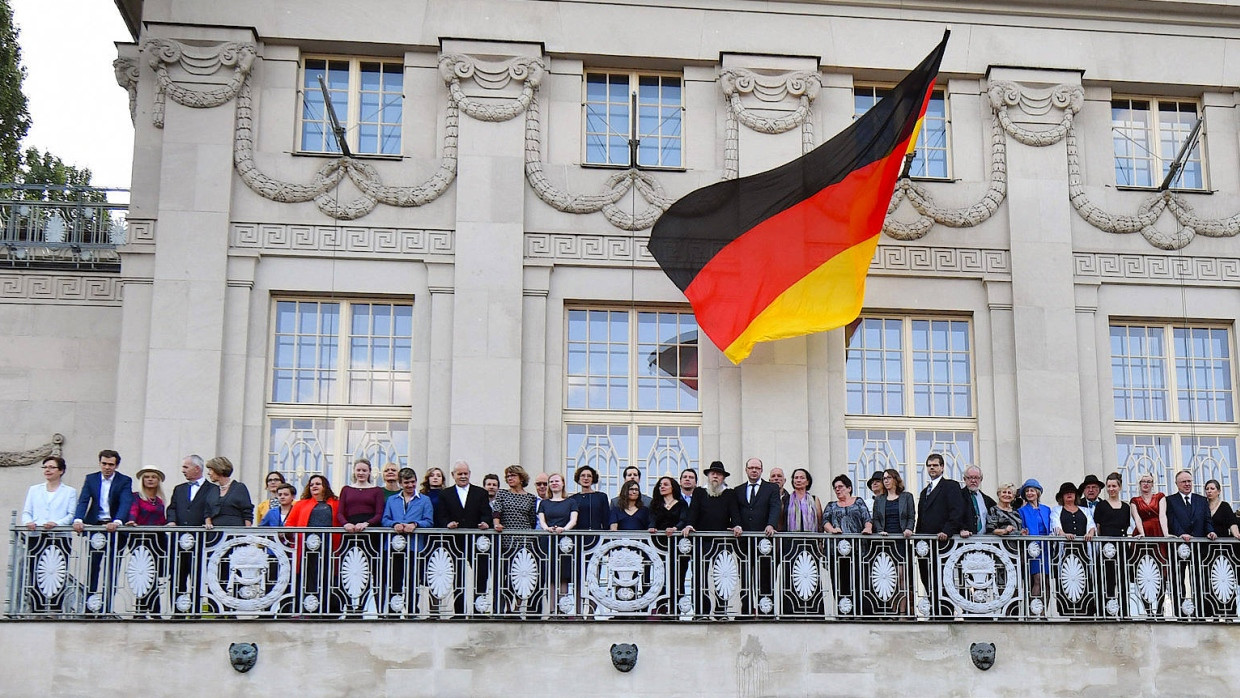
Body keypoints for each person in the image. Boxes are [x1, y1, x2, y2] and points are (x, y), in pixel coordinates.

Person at [73, 449, 132, 612]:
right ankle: (89, 606)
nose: (107, 467)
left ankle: (107, 605)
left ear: (116, 465)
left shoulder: (124, 480)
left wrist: (118, 521)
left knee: (112, 567)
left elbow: (125, 502)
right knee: (93, 565)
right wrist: (78, 519)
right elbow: (84, 500)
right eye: (104, 464)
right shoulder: (91, 479)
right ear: (100, 463)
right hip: (97, 527)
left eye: (111, 465)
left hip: (114, 529)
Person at [682, 461, 741, 618]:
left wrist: (737, 526)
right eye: (712, 473)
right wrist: (689, 525)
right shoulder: (700, 492)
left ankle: (721, 610)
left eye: (719, 474)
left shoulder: (729, 493)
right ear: (708, 476)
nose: (715, 476)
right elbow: (693, 511)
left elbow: (734, 513)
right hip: (702, 540)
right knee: (699, 576)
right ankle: (701, 611)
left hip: (722, 541)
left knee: (722, 576)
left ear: (723, 477)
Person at [434, 460, 493, 616]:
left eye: (465, 473)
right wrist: (448, 524)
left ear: (470, 474)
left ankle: (478, 609)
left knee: (481, 573)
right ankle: (459, 611)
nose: (463, 476)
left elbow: (486, 513)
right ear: (453, 475)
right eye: (459, 474)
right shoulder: (445, 494)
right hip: (455, 540)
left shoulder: (480, 492)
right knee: (458, 575)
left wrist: (485, 523)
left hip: (477, 541)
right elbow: (440, 515)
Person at [21, 455, 76, 612]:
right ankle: (37, 608)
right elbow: (27, 512)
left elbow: (70, 515)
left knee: (57, 572)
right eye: (45, 467)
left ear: (61, 471)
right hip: (37, 536)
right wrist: (28, 522)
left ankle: (55, 608)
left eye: (52, 467)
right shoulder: (34, 489)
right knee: (36, 571)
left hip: (59, 537)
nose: (47, 470)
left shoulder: (69, 492)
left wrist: (56, 524)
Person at [165, 454, 216, 615]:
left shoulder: (212, 489)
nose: (183, 471)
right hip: (179, 542)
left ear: (197, 468)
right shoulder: (179, 489)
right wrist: (172, 521)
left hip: (202, 542)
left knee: (198, 578)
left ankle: (195, 612)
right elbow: (172, 508)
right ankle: (176, 613)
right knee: (178, 577)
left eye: (186, 467)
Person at [914, 453, 963, 615]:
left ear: (942, 467)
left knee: (943, 579)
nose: (932, 468)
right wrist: (917, 541)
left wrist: (947, 531)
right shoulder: (924, 491)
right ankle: (935, 612)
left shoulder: (950, 486)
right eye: (929, 465)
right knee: (927, 578)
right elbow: (920, 518)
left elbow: (957, 511)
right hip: (925, 545)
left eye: (935, 465)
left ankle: (945, 613)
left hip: (943, 543)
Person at [382, 467, 434, 616]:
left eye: (413, 482)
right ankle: (394, 610)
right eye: (406, 483)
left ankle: (412, 610)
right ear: (400, 483)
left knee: (413, 580)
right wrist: (394, 524)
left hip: (414, 546)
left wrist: (415, 524)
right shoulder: (392, 500)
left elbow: (429, 522)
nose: (410, 485)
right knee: (394, 579)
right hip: (394, 547)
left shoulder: (424, 500)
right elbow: (385, 519)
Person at [286, 474, 340, 615]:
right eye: (311, 484)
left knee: (327, 576)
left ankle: (327, 609)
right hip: (306, 548)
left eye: (318, 484)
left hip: (329, 547)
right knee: (308, 576)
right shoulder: (301, 504)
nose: (314, 486)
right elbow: (289, 524)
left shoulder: (335, 503)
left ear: (325, 487)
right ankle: (305, 608)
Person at [1165, 470, 1216, 617]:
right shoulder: (1170, 500)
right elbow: (1171, 520)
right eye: (1183, 482)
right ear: (1177, 484)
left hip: (1198, 546)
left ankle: (1200, 612)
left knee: (1199, 579)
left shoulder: (1201, 500)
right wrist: (1181, 533)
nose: (1187, 484)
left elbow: (1207, 520)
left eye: (1189, 481)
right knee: (1177, 579)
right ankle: (1179, 612)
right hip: (1178, 546)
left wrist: (1211, 531)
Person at [823, 474, 872, 606]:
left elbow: (867, 519)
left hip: (857, 549)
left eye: (841, 487)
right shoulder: (831, 505)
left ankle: (860, 610)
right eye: (835, 488)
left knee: (859, 579)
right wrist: (832, 530)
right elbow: (825, 521)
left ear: (849, 488)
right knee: (840, 581)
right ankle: (843, 611)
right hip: (837, 550)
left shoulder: (859, 501)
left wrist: (867, 528)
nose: (838, 490)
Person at [1093, 472, 1137, 616]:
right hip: (1107, 546)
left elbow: (1131, 525)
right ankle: (1107, 612)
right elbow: (1098, 527)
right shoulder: (1101, 506)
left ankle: (1125, 612)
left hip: (1122, 546)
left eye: (1114, 486)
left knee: (1123, 579)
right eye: (1109, 486)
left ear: (1119, 487)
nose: (1111, 489)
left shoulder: (1126, 507)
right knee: (1107, 580)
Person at [871, 468, 915, 614]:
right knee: (889, 578)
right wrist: (879, 531)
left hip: (901, 541)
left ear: (896, 479)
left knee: (902, 577)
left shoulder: (906, 497)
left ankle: (902, 612)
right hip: (885, 542)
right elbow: (876, 519)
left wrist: (909, 529)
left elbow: (911, 516)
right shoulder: (879, 499)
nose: (886, 481)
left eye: (888, 478)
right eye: (884, 479)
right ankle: (892, 611)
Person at [1050, 480, 1097, 616]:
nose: (1069, 495)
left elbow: (1091, 525)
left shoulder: (1085, 510)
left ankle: (1086, 610)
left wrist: (1090, 533)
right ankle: (1067, 610)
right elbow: (1055, 524)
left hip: (1082, 551)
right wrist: (1063, 534)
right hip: (1066, 551)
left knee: (1084, 578)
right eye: (1066, 493)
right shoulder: (1057, 510)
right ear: (1062, 497)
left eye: (1071, 493)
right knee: (1066, 579)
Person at [125, 466, 168, 616]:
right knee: (143, 575)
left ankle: (154, 610)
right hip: (141, 540)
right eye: (147, 477)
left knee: (154, 575)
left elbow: (162, 520)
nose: (150, 479)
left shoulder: (160, 501)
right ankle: (142, 610)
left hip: (157, 540)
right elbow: (133, 511)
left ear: (158, 481)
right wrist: (131, 521)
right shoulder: (136, 497)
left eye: (153, 477)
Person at [781, 468, 823, 615]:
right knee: (792, 577)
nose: (798, 480)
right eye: (795, 477)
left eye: (801, 477)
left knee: (811, 576)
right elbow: (781, 522)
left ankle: (813, 611)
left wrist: (819, 543)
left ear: (807, 481)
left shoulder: (814, 499)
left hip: (810, 543)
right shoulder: (786, 500)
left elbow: (819, 521)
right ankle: (791, 611)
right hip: (791, 544)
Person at [537, 473, 579, 609]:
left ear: (563, 484)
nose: (554, 483)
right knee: (550, 574)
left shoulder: (571, 502)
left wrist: (564, 529)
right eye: (551, 481)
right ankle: (552, 609)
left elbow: (574, 520)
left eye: (557, 481)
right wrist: (547, 528)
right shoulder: (544, 503)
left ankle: (563, 608)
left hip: (565, 542)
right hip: (548, 541)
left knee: (563, 575)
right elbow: (541, 520)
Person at [1017, 479, 1053, 616]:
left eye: (1032, 490)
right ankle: (1034, 612)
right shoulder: (1022, 511)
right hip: (1032, 549)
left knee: (1047, 581)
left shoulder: (1046, 509)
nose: (1029, 493)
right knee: (1037, 579)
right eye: (1027, 491)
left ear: (1037, 492)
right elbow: (1021, 527)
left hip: (1046, 549)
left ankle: (1043, 612)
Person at [203, 457, 254, 528]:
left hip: (234, 533)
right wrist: (208, 524)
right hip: (215, 535)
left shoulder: (239, 488)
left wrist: (246, 533)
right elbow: (207, 512)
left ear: (218, 469)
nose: (209, 473)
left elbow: (247, 512)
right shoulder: (213, 490)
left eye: (211, 470)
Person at [337, 458, 385, 533]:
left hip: (370, 529)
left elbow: (379, 514)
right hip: (350, 529)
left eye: (364, 470)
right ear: (354, 471)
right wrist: (345, 524)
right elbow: (340, 513)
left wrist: (367, 524)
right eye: (358, 470)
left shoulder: (377, 490)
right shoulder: (346, 489)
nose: (361, 473)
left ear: (369, 472)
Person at [960, 466, 997, 537]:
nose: (973, 480)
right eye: (970, 477)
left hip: (984, 540)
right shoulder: (958, 496)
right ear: (964, 479)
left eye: (976, 478)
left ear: (981, 479)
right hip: (964, 540)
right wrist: (961, 529)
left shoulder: (987, 500)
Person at [571, 465, 610, 531]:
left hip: (598, 535)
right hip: (579, 536)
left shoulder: (601, 497)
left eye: (589, 476)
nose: (586, 478)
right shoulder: (573, 499)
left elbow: (606, 519)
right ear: (578, 479)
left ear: (593, 479)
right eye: (583, 475)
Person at [769, 467, 790, 532]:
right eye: (773, 476)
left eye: (779, 476)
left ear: (784, 480)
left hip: (787, 536)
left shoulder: (791, 499)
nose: (776, 478)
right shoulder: (763, 498)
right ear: (769, 480)